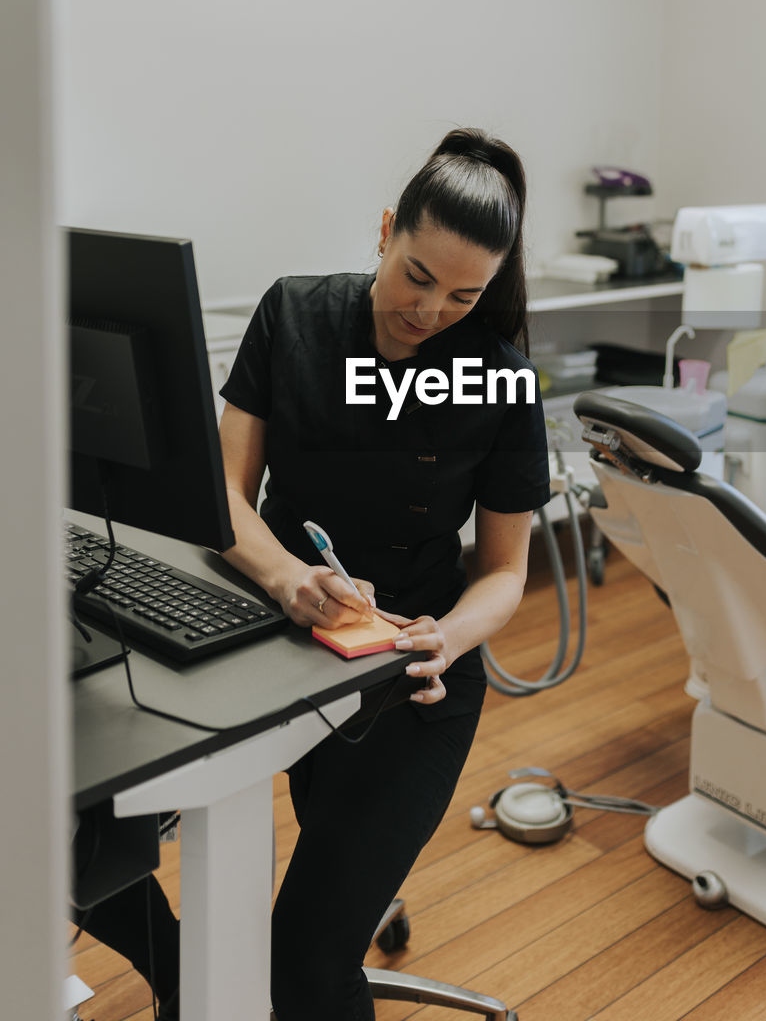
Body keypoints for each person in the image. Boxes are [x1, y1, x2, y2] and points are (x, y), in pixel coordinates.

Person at [217, 127, 550, 1020]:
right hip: (287, 646)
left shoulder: (500, 379)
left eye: (464, 295)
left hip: (415, 672)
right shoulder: (292, 316)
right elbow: (224, 500)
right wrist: (291, 579)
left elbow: (505, 572)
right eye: (416, 276)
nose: (431, 309)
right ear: (382, 231)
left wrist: (449, 636)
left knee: (301, 965)